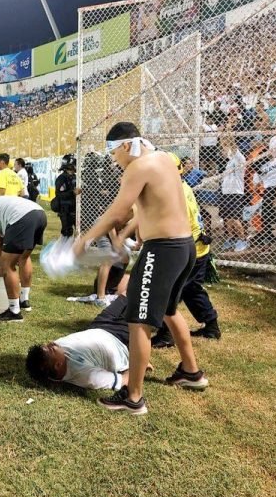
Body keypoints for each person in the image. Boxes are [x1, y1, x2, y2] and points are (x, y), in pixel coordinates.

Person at [72, 122, 208, 416]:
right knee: (169, 311)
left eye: (112, 151)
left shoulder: (138, 167)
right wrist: (128, 233)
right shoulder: (164, 160)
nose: (113, 159)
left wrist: (85, 239)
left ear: (125, 145)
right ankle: (191, 372)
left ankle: (133, 397)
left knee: (138, 319)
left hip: (163, 250)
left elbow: (119, 211)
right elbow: (153, 207)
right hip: (184, 247)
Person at [151, 154, 221, 348]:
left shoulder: (174, 192)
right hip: (198, 248)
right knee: (191, 289)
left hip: (189, 249)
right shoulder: (183, 186)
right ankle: (211, 326)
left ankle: (166, 334)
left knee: (170, 291)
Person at [26, 296, 154, 390]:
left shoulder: (53, 359)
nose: (52, 343)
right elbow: (124, 381)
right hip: (119, 339)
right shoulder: (86, 376)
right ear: (58, 365)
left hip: (99, 325)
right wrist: (138, 363)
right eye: (51, 348)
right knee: (145, 300)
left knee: (127, 294)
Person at [219, 135, 248, 252]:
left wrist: (230, 140)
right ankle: (231, 238)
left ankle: (242, 239)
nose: (224, 150)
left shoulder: (239, 159)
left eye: (226, 148)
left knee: (235, 218)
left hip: (236, 192)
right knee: (228, 219)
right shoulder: (229, 162)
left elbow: (234, 148)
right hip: (226, 192)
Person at [55, 156, 77, 237]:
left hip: (74, 208)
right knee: (67, 232)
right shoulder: (61, 178)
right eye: (74, 164)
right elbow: (59, 194)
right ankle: (64, 248)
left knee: (81, 230)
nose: (75, 166)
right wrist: (72, 192)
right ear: (69, 165)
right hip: (65, 210)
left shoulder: (75, 177)